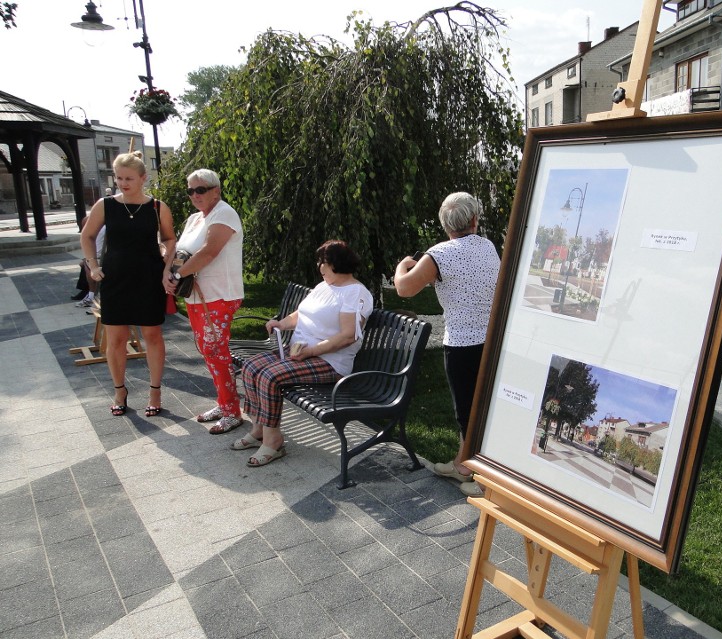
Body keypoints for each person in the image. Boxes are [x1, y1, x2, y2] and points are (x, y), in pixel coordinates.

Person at [393, 192, 500, 496]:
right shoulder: (488, 246)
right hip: (492, 340)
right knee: (486, 405)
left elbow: (403, 288)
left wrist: (404, 265)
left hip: (463, 342)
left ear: (445, 224)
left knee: (466, 408)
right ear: (474, 220)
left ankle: (477, 476)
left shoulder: (439, 254)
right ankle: (466, 464)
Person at [234, 240, 374, 467]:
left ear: (337, 263)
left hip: (329, 361)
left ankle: (273, 441)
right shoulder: (323, 286)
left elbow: (348, 336)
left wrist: (311, 351)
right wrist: (281, 323)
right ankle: (258, 428)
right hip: (301, 351)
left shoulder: (355, 293)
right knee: (251, 367)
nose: (320, 267)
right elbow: (300, 314)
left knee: (270, 376)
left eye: (324, 262)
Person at [80, 151, 176, 417]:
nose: (123, 183)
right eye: (119, 177)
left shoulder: (158, 207)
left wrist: (167, 263)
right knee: (116, 339)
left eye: (129, 178)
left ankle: (155, 391)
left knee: (152, 337)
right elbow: (87, 236)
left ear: (143, 178)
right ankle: (120, 390)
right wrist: (93, 264)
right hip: (115, 279)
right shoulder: (106, 204)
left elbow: (170, 238)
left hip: (148, 278)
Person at [166, 169, 245, 435]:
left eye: (201, 190)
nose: (195, 195)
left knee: (215, 350)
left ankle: (233, 411)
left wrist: (177, 274)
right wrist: (169, 274)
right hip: (197, 295)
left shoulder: (224, 213)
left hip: (220, 294)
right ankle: (224, 403)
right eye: (190, 191)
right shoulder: (193, 220)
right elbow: (181, 253)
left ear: (216, 190)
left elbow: (209, 251)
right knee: (207, 350)